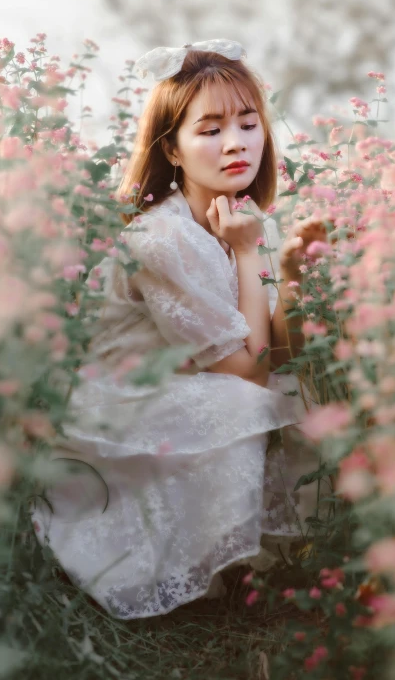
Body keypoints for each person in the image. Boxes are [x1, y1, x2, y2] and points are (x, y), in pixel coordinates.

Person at [30, 39, 324, 619]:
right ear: (173, 148)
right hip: (118, 409)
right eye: (210, 129)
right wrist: (247, 256)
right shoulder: (162, 239)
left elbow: (282, 352)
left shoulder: (234, 216)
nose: (236, 142)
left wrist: (290, 276)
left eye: (247, 122)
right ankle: (203, 574)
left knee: (305, 395)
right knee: (250, 403)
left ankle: (270, 570)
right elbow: (251, 371)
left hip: (183, 386)